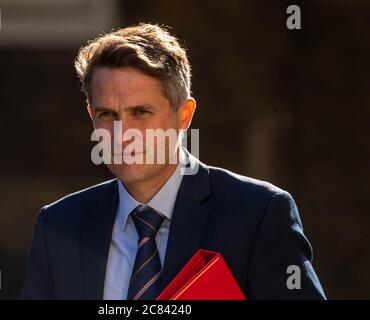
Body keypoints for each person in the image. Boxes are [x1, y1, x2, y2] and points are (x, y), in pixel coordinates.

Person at [21, 23, 326, 300]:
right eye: (107, 115)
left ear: (184, 115)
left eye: (140, 113)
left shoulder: (258, 215)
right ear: (92, 117)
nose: (122, 134)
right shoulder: (58, 226)